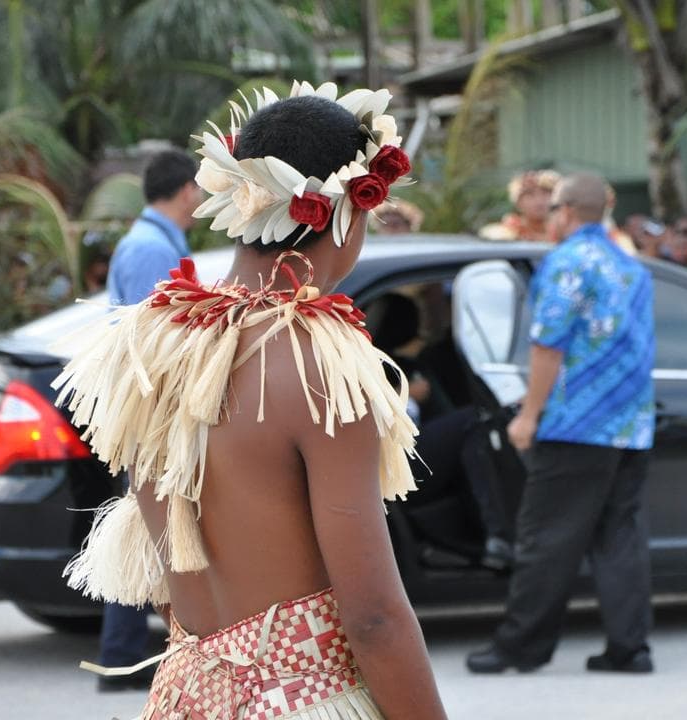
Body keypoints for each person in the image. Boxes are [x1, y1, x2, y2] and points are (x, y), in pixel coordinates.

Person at [55, 85, 447, 718]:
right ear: (350, 209)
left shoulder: (152, 341)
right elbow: (373, 616)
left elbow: (165, 557)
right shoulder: (323, 360)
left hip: (186, 696)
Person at [467, 173, 656, 675]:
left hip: (575, 425)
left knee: (546, 538)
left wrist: (528, 415)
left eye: (552, 209)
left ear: (568, 211)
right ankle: (630, 648)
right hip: (630, 424)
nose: (549, 218)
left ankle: (519, 647)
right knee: (620, 536)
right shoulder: (629, 265)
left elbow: (547, 344)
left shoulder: (567, 263)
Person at [95, 147, 203, 692]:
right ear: (186, 189)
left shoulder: (154, 244)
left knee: (149, 533)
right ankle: (120, 659)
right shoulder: (148, 251)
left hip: (150, 414)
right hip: (152, 415)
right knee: (150, 533)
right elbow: (151, 348)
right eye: (201, 188)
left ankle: (122, 657)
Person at [479, 169, 561, 242]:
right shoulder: (509, 231)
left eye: (546, 193)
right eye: (529, 194)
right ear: (517, 202)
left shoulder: (565, 231)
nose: (539, 200)